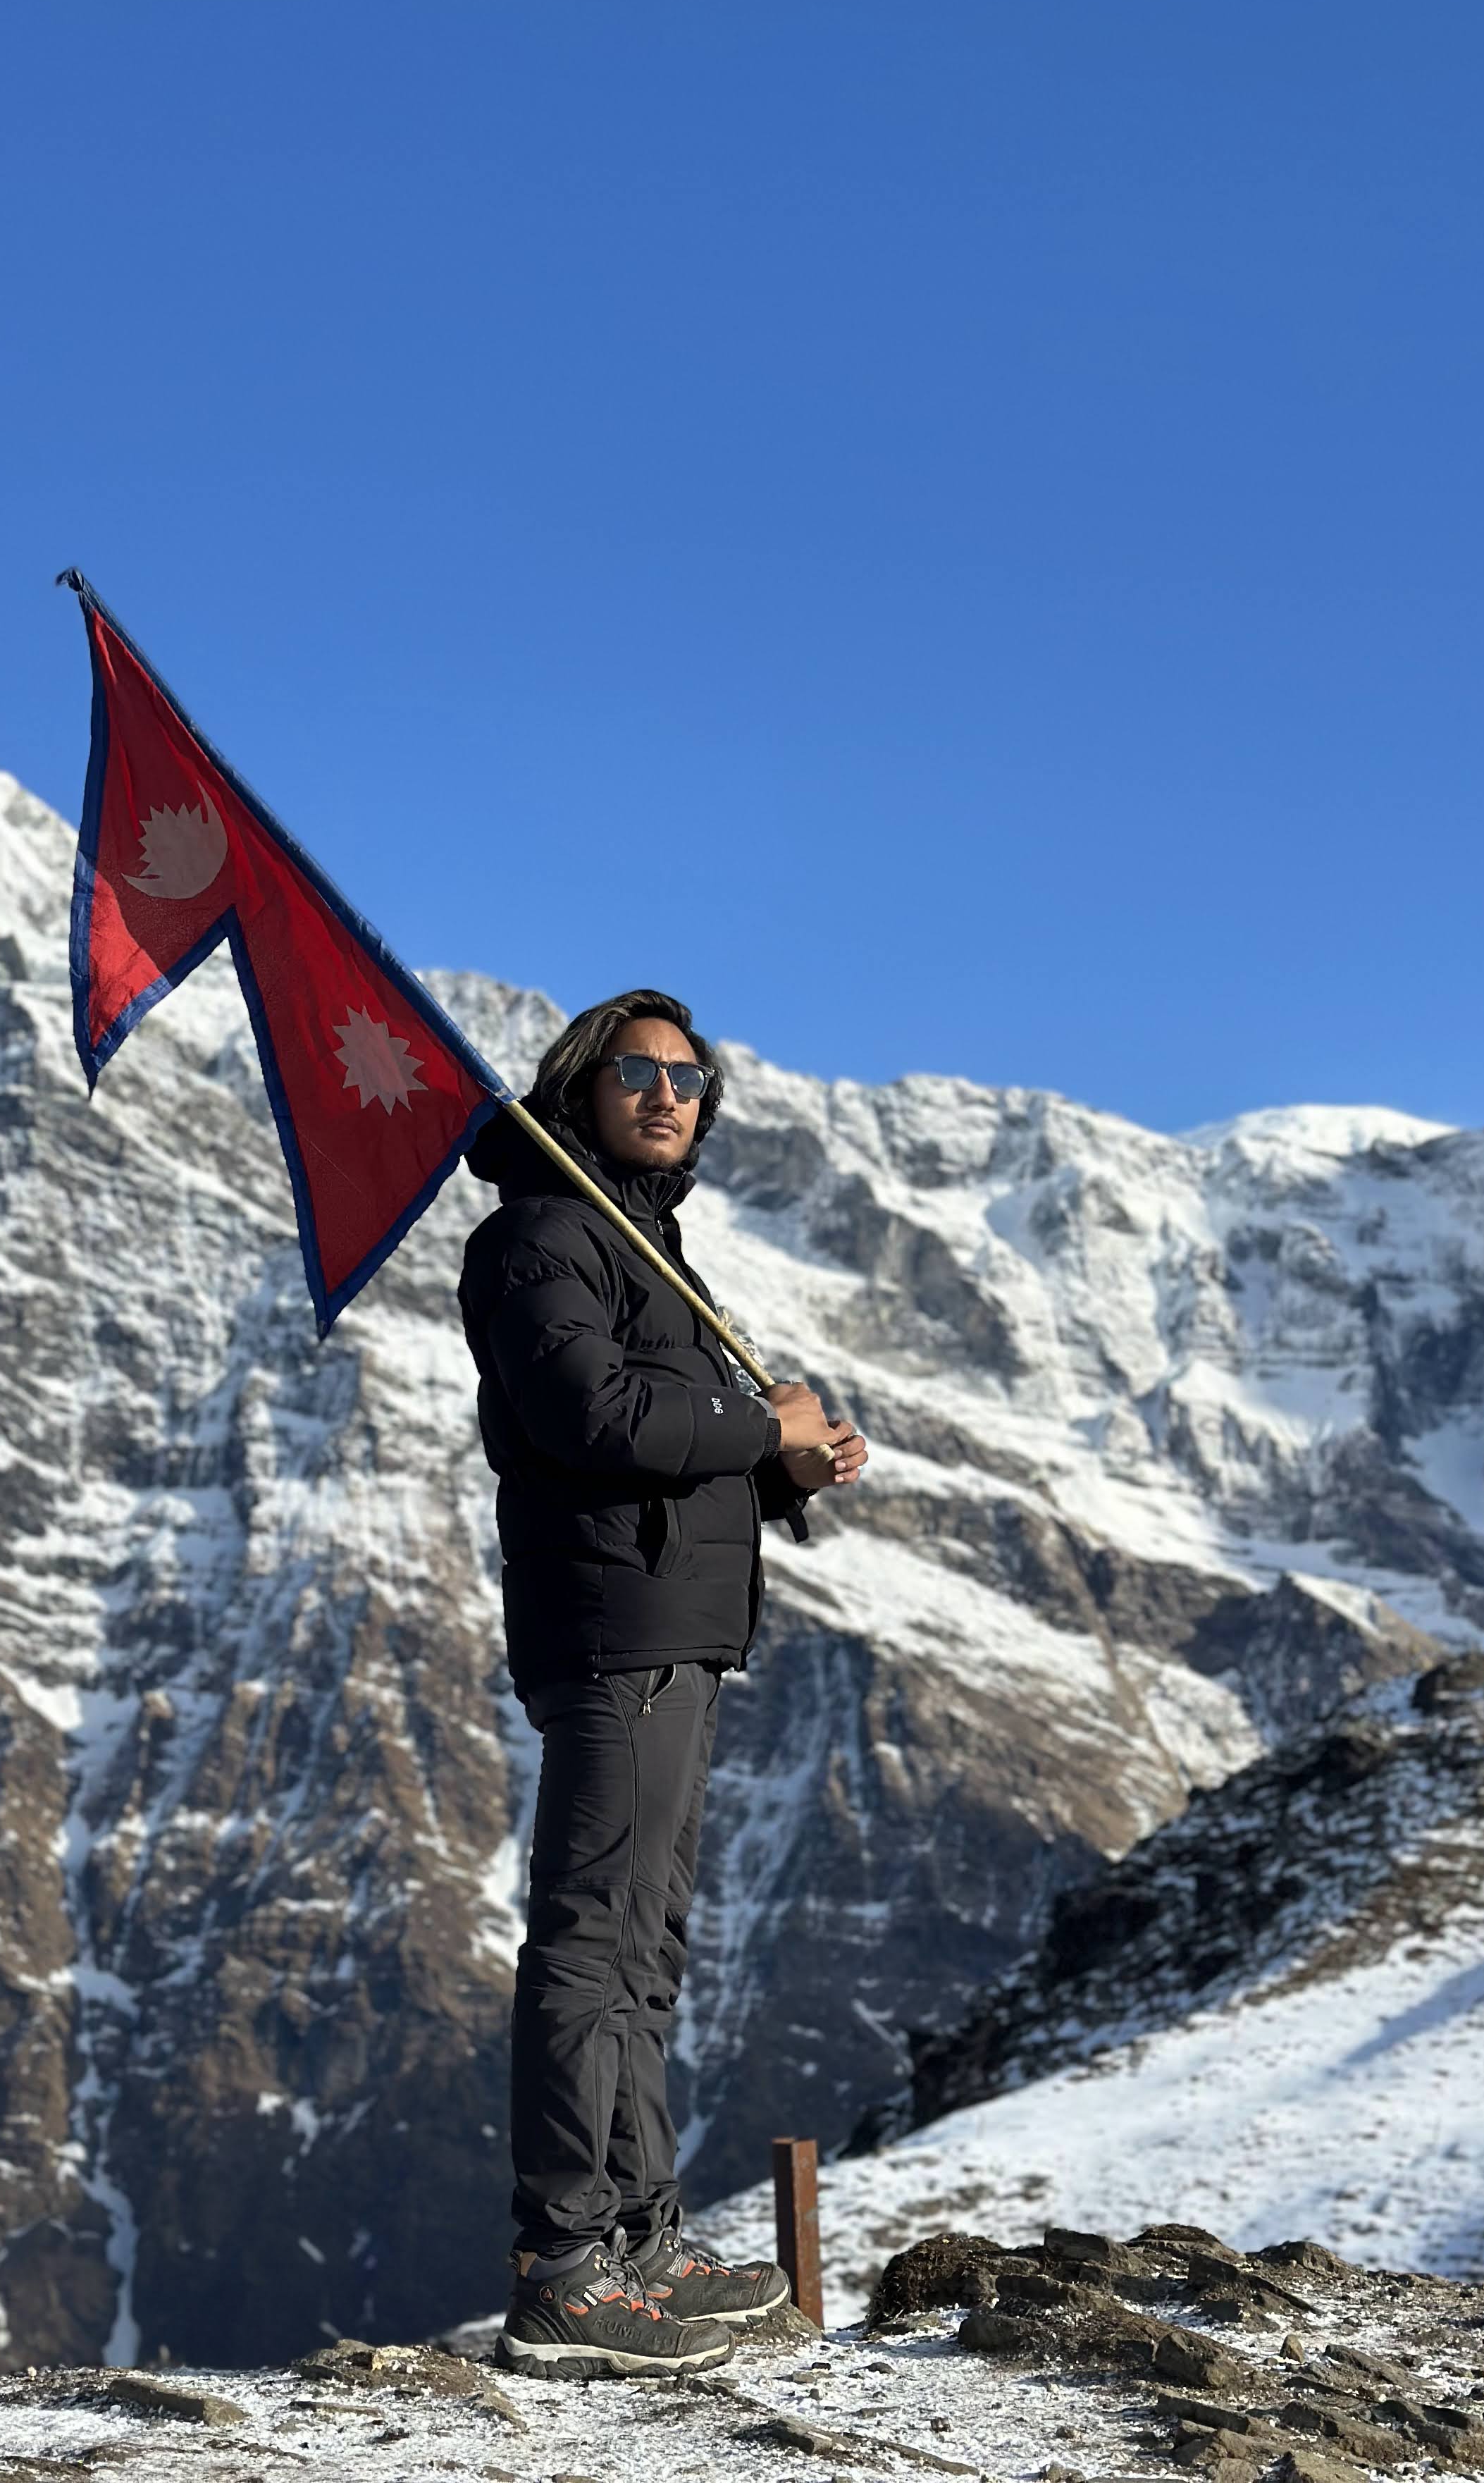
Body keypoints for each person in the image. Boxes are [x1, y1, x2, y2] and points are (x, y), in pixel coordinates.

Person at [459, 988, 867, 2379]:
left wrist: (782, 1468)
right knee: (592, 1939)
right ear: (579, 1087)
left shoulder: (642, 1242)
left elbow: (676, 1439)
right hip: (615, 1630)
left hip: (673, 1626)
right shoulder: (540, 1239)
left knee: (645, 1944)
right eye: (635, 1072)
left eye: (688, 1079)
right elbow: (597, 1417)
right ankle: (568, 2267)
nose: (664, 1094)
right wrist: (762, 1422)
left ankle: (642, 2248)